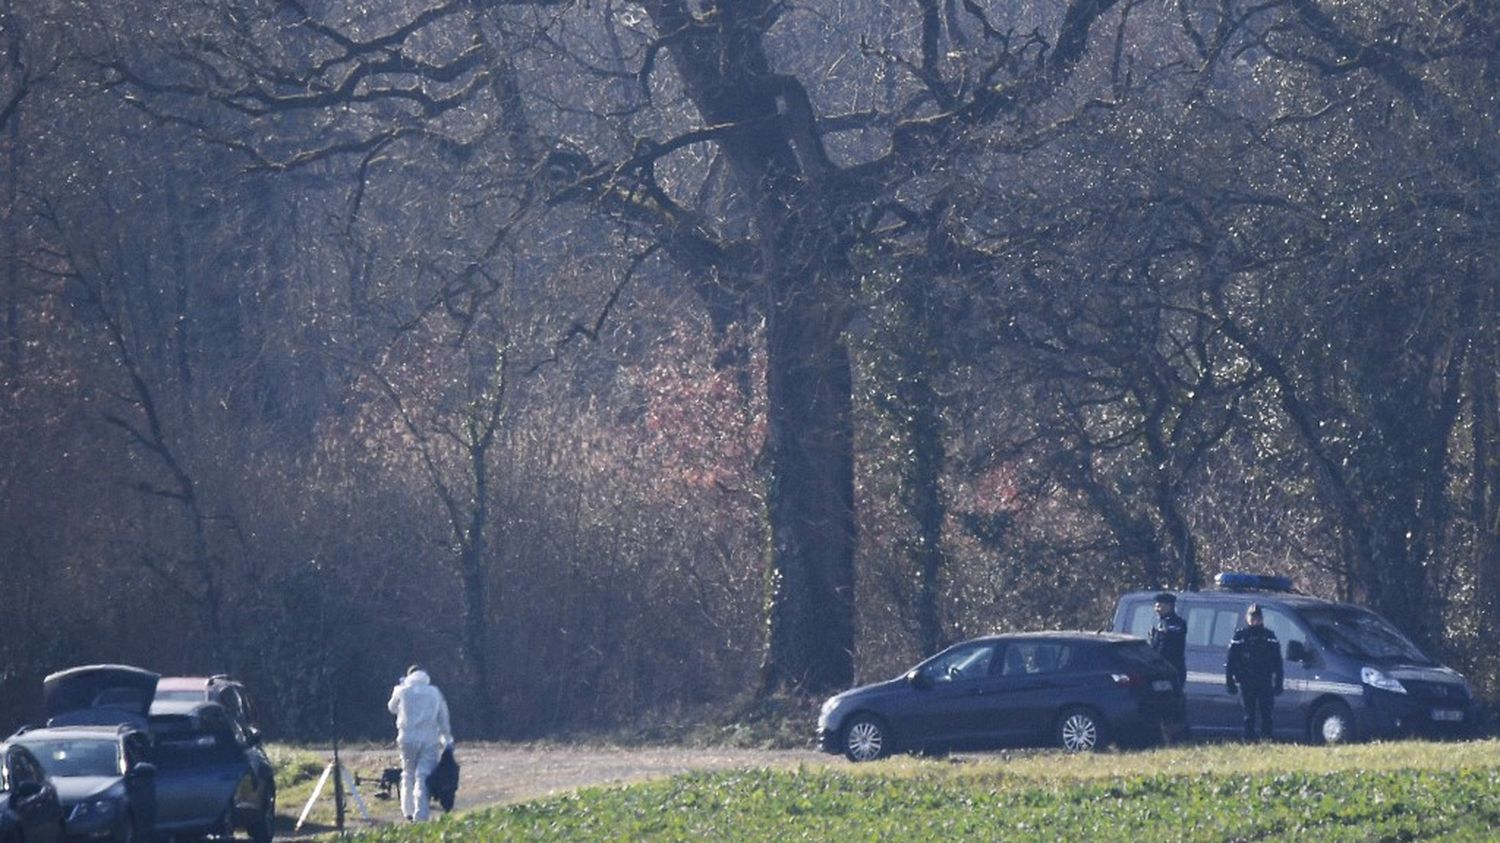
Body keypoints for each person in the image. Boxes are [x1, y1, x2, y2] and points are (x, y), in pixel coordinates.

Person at [387, 665, 453, 821]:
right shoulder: (434, 692)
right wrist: (447, 739)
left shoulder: (402, 691)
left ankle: (407, 810)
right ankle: (421, 814)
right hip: (429, 739)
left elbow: (391, 708)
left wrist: (400, 688)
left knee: (408, 773)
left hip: (407, 738)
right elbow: (442, 717)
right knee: (423, 776)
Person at [1225, 603, 1283, 741]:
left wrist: (1279, 682)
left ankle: (1267, 738)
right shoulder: (1240, 636)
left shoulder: (1269, 636)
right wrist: (1229, 681)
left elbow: (1277, 661)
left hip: (1265, 680)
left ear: (1262, 619)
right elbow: (1231, 660)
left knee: (1266, 712)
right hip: (1247, 680)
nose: (1255, 621)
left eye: (1258, 618)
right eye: (1253, 618)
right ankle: (1248, 738)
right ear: (1247, 618)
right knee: (1249, 713)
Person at [1149, 591, 1189, 741]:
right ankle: (1163, 736)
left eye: (1160, 605)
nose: (1157, 608)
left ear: (1169, 606)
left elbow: (1166, 648)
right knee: (1162, 706)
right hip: (1161, 671)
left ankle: (1179, 737)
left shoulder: (1176, 624)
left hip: (1173, 671)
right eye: (1156, 605)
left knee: (1174, 706)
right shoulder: (1160, 623)